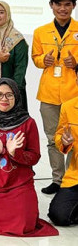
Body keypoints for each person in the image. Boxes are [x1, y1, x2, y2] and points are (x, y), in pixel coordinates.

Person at [0, 78, 58, 237]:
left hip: (19, 184)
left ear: (17, 97)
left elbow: (34, 157)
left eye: (9, 95)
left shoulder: (28, 122)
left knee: (24, 223)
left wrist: (14, 153)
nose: (4, 99)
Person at [32, 0, 78, 195]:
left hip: (74, 94)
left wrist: (76, 63)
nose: (62, 9)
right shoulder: (40, 31)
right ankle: (57, 180)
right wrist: (44, 60)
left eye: (67, 5)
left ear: (73, 6)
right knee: (53, 139)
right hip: (49, 94)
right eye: (58, 4)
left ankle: (71, 181)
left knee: (74, 138)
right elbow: (36, 58)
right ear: (51, 5)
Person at [48, 81, 78, 226]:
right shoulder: (69, 106)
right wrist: (64, 142)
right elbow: (59, 135)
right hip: (76, 176)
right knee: (58, 215)